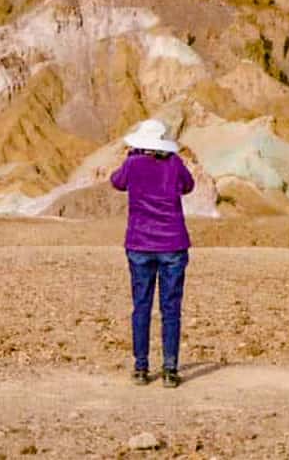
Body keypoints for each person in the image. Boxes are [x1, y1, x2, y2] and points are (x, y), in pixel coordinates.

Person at [110, 119, 194, 388]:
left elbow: (116, 182)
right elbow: (189, 186)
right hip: (173, 244)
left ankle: (141, 367)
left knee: (141, 306)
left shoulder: (133, 163)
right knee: (171, 308)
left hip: (139, 243)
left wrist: (132, 157)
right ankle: (170, 369)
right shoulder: (174, 163)